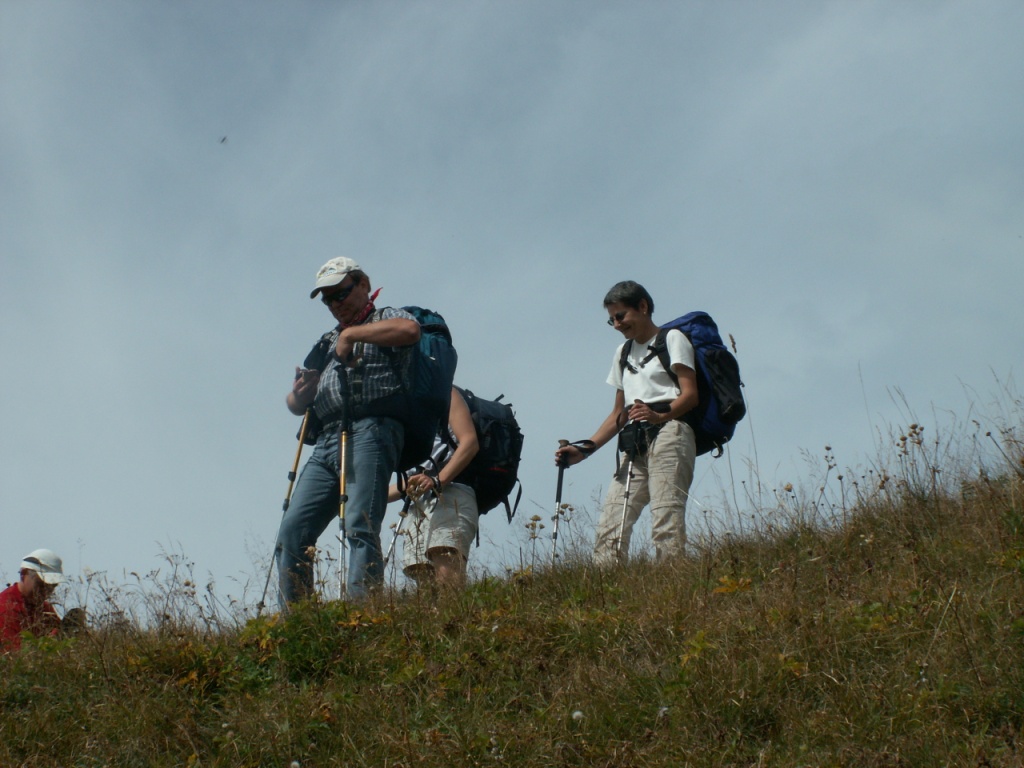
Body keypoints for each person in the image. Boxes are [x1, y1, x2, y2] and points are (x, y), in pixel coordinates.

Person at [277, 256, 421, 604]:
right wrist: (299, 396)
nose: (335, 304)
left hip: (371, 429)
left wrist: (352, 334)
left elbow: (410, 331)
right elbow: (294, 404)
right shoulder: (326, 341)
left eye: (340, 293)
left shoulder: (385, 317)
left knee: (359, 523)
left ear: (363, 284)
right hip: (326, 439)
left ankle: (363, 613)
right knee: (292, 531)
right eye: (328, 300)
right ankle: (298, 621)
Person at [554, 281, 699, 564]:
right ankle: (605, 586)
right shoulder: (622, 353)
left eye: (620, 316)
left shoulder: (672, 339)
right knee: (611, 523)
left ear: (642, 307)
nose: (617, 325)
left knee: (666, 518)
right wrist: (585, 449)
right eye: (612, 320)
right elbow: (618, 414)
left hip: (671, 431)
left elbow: (690, 394)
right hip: (634, 440)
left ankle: (673, 582)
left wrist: (660, 415)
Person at [387, 387, 480, 590]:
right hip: (420, 501)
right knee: (423, 577)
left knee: (447, 567)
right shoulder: (403, 407)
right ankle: (436, 612)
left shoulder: (445, 392)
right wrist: (368, 495)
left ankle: (453, 611)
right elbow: (409, 482)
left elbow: (470, 442)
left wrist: (438, 480)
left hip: (452, 492)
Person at [1, 549, 64, 652]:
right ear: (23, 574)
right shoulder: (6, 609)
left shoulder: (44, 608)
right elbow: (17, 657)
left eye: (52, 586)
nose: (47, 591)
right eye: (41, 585)